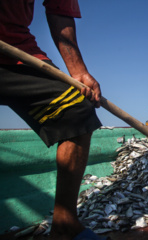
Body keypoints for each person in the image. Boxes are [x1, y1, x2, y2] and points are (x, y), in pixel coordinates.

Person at [0, 1, 107, 240]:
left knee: (78, 111)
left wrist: (78, 71)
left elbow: (60, 8)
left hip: (17, 51)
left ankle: (64, 224)